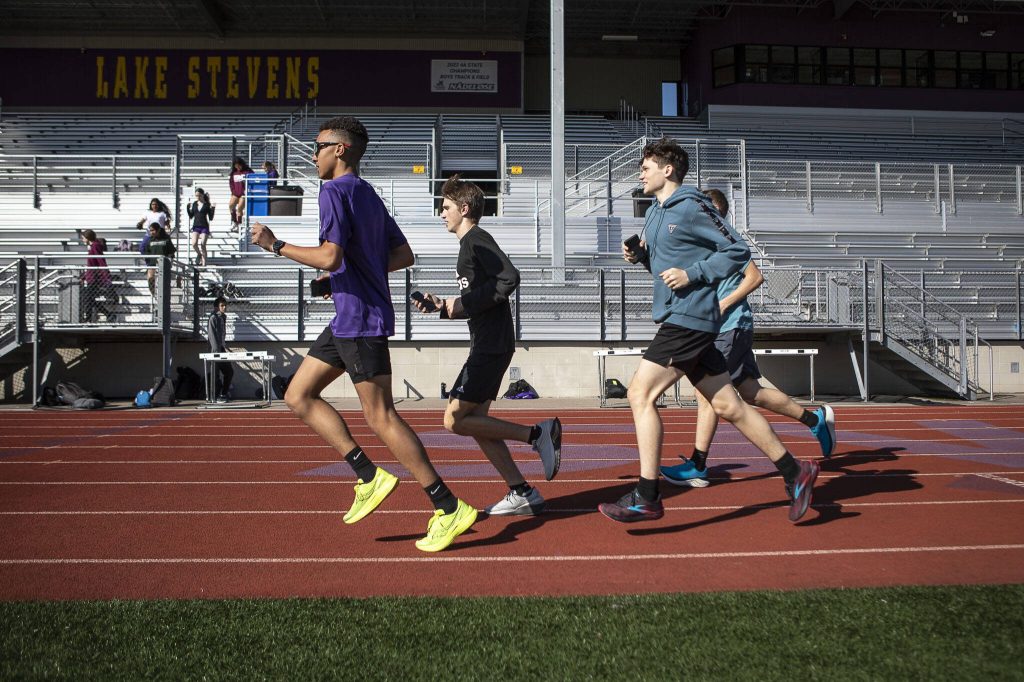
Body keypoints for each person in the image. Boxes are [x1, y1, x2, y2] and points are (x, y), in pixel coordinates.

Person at [250, 116, 477, 552]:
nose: (312, 154)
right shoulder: (367, 194)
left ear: (340, 149)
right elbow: (401, 254)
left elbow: (331, 255)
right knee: (298, 395)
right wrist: (344, 277)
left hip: (361, 321)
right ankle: (369, 475)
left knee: (381, 416)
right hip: (347, 317)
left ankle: (448, 508)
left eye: (317, 145)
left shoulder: (334, 191)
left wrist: (275, 245)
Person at [600, 138, 819, 524]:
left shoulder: (692, 205)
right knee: (728, 405)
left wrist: (694, 273)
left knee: (640, 394)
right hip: (676, 315)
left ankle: (647, 496)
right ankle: (795, 471)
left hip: (691, 316)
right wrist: (641, 257)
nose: (641, 172)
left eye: (647, 165)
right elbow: (663, 266)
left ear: (668, 170)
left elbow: (737, 250)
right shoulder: (655, 212)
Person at [660, 188, 836, 489]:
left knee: (708, 395)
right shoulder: (700, 244)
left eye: (704, 208)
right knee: (752, 392)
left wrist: (725, 303)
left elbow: (755, 277)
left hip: (730, 326)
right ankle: (815, 420)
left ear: (716, 212)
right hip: (715, 328)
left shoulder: (725, 241)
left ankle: (699, 466)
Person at [412, 175, 562, 517]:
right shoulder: (470, 245)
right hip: (489, 341)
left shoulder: (476, 239)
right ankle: (521, 491)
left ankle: (538, 434)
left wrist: (459, 304)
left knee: (454, 420)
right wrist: (445, 305)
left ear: (464, 209)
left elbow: (509, 277)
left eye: (446, 207)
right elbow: (478, 298)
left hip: (491, 344)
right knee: (477, 422)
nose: (441, 213)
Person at [79, 229, 115, 323]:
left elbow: (101, 262)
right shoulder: (92, 246)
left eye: (83, 238)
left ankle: (88, 320)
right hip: (91, 277)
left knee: (88, 300)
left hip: (94, 278)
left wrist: (107, 277)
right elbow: (91, 264)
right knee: (90, 300)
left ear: (87, 237)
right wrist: (84, 277)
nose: (82, 240)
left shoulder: (95, 246)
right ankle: (108, 314)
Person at [207, 296, 233, 403]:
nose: (224, 307)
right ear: (217, 307)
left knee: (229, 372)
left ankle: (223, 393)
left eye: (225, 305)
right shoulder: (213, 318)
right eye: (222, 305)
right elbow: (212, 335)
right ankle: (215, 396)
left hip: (221, 348)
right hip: (215, 350)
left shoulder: (223, 317)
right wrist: (216, 351)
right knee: (215, 374)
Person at [144, 223, 176, 296]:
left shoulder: (166, 238)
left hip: (163, 263)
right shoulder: (149, 240)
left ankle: (162, 296)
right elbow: (147, 251)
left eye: (153, 230)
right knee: (150, 277)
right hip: (153, 263)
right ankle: (153, 294)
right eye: (150, 230)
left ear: (158, 230)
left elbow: (171, 251)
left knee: (163, 282)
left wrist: (170, 261)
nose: (151, 232)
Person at [187, 187, 216, 267]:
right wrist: (187, 208)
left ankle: (204, 264)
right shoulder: (194, 204)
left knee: (203, 244)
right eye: (196, 196)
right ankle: (199, 254)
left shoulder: (207, 204)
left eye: (199, 195)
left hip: (204, 226)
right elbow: (191, 216)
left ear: (202, 195)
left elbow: (210, 218)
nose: (198, 197)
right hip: (196, 226)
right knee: (194, 243)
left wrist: (213, 208)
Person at [228, 157, 253, 232]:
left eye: (239, 165)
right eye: (236, 166)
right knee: (231, 205)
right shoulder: (234, 173)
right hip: (235, 193)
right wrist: (232, 191)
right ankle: (234, 221)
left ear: (242, 164)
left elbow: (253, 180)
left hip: (244, 193)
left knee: (239, 208)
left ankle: (239, 224)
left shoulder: (248, 172)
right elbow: (231, 183)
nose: (238, 167)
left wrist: (247, 189)